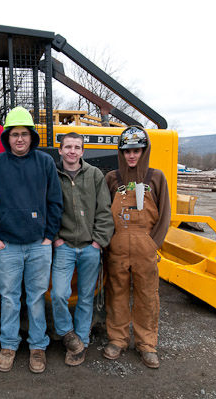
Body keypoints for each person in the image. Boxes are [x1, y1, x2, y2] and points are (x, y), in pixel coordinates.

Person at [0, 106, 63, 374]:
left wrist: (49, 236)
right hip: (8, 246)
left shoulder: (45, 163)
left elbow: (55, 202)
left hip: (39, 245)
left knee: (36, 297)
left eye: (24, 134)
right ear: (7, 137)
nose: (19, 139)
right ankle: (8, 345)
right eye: (14, 134)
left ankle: (38, 346)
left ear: (32, 136)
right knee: (9, 297)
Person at [101, 125, 171, 369]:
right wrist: (107, 242)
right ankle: (117, 340)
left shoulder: (156, 177)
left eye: (137, 150)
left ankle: (146, 344)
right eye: (127, 151)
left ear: (144, 151)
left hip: (145, 246)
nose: (132, 155)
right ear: (121, 153)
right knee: (116, 294)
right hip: (117, 246)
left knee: (147, 296)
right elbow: (103, 213)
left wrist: (154, 243)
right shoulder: (111, 179)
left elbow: (165, 215)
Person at [51, 132, 114, 366]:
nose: (72, 151)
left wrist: (98, 242)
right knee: (59, 294)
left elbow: (104, 211)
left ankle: (82, 344)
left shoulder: (95, 175)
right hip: (64, 246)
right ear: (60, 150)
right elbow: (48, 208)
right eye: (68, 147)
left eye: (77, 147)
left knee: (86, 298)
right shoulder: (53, 175)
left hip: (90, 247)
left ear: (82, 151)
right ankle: (68, 335)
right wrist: (56, 239)